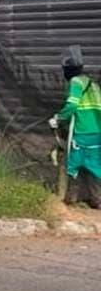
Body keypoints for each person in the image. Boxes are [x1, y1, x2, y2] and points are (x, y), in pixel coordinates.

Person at [50, 46, 101, 207]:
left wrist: (58, 118)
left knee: (74, 163)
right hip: (97, 131)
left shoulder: (76, 82)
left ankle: (70, 197)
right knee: (95, 165)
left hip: (82, 130)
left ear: (68, 69)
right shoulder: (93, 85)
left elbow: (72, 105)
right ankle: (97, 199)